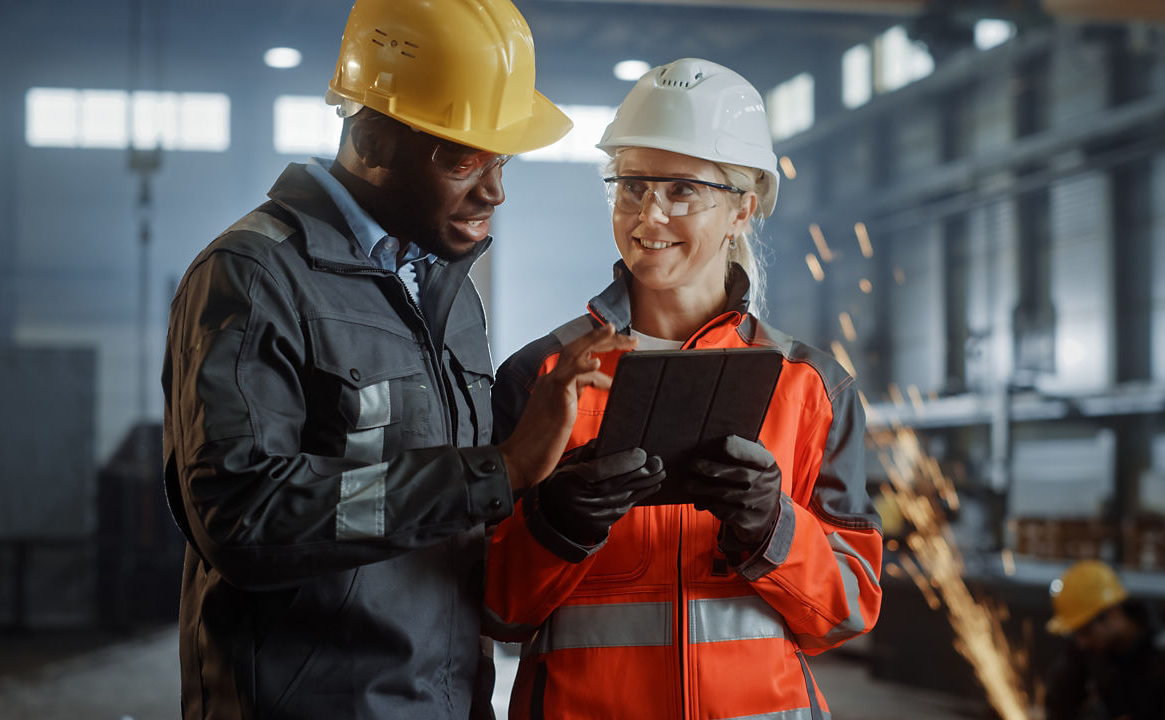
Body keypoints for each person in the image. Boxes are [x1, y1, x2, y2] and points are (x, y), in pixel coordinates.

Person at [160, 1, 635, 717]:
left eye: (500, 159)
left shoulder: (447, 292)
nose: (495, 190)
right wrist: (498, 470)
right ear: (375, 140)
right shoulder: (254, 278)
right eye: (464, 157)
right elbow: (243, 519)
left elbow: (442, 513)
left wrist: (549, 497)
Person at [482, 58, 884, 719]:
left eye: (682, 189)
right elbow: (494, 608)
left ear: (742, 210)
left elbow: (844, 615)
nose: (650, 213)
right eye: (631, 185)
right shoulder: (545, 378)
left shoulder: (812, 387)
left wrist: (771, 526)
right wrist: (556, 525)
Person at [1045, 560, 1165, 720]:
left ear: (1113, 613)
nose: (1082, 642)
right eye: (1076, 634)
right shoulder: (1091, 649)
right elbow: (1059, 704)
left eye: (1085, 632)